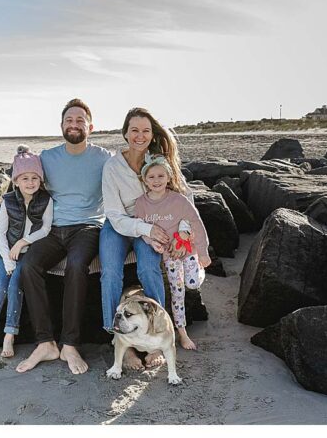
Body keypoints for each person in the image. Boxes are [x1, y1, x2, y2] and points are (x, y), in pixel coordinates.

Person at [16, 100, 112, 376]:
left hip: (88, 227)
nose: (74, 124)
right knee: (29, 265)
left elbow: (131, 178)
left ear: (90, 127)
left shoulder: (104, 158)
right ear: (61, 126)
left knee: (76, 265)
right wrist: (5, 227)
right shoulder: (47, 157)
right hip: (53, 229)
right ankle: (45, 341)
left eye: (80, 120)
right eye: (69, 120)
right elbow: (22, 178)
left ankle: (70, 343)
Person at [100, 108, 180, 364]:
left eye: (145, 130)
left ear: (152, 133)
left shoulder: (157, 160)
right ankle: (117, 338)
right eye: (134, 130)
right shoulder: (112, 166)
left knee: (149, 268)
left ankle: (158, 333)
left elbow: (180, 193)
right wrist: (145, 230)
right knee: (111, 272)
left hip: (150, 223)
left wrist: (181, 230)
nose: (140, 135)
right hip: (119, 225)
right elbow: (113, 214)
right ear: (125, 133)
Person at [0, 146, 53, 358]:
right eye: (25, 178)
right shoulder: (8, 200)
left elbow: (46, 229)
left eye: (34, 178)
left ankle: (10, 336)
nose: (30, 183)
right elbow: (0, 233)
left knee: (15, 290)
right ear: (16, 181)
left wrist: (23, 242)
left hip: (27, 254)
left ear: (41, 180)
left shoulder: (46, 200)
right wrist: (8, 259)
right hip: (5, 255)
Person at [134, 154, 211, 352]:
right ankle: (182, 332)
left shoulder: (178, 200)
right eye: (151, 177)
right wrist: (152, 242)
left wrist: (202, 252)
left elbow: (196, 222)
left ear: (168, 177)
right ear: (144, 179)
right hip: (169, 257)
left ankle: (200, 269)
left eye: (161, 176)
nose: (156, 181)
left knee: (192, 283)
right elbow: (141, 228)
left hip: (187, 249)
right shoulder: (141, 203)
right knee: (178, 295)